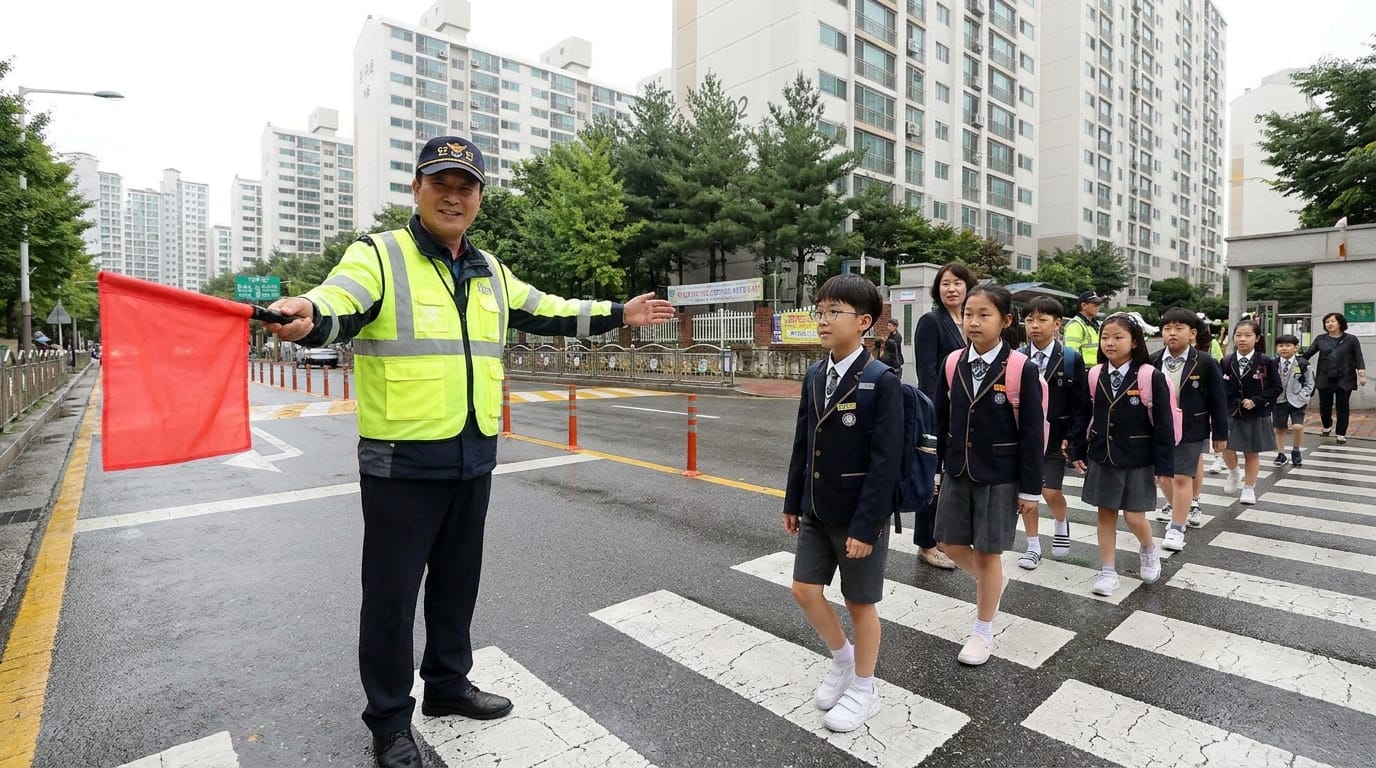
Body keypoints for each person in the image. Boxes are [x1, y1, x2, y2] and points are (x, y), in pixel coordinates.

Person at [264, 136, 674, 768]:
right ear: (417, 189)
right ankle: (389, 722)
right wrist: (309, 312)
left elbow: (549, 311)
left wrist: (620, 311)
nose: (453, 196)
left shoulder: (490, 270)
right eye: (440, 183)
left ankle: (447, 685)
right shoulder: (379, 255)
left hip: (472, 453)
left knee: (457, 583)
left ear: (479, 197)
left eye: (466, 186)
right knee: (393, 596)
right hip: (402, 459)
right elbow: (339, 300)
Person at [783, 274, 902, 733]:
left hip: (858, 516)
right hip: (816, 507)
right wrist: (793, 500)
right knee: (804, 590)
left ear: (864, 322)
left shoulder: (880, 380)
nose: (823, 320)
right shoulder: (815, 374)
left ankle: (865, 688)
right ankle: (843, 659)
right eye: (820, 311)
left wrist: (866, 526)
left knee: (859, 602)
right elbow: (803, 442)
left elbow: (886, 462)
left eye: (835, 312)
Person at [934, 285, 1043, 665]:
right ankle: (993, 583)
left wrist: (1030, 490)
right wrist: (936, 468)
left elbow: (1032, 433)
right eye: (968, 314)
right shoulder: (952, 363)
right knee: (948, 544)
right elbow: (941, 419)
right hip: (957, 469)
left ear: (1005, 320)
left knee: (987, 551)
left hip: (1000, 474)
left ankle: (982, 631)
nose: (974, 322)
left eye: (984, 315)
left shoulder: (1020, 368)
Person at [1069, 313, 1171, 598]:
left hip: (1138, 457)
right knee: (1105, 515)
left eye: (1118, 337)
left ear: (1134, 341)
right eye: (1105, 337)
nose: (1109, 343)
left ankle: (1148, 549)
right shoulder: (1094, 374)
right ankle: (1107, 571)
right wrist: (1077, 449)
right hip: (1102, 455)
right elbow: (1083, 414)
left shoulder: (1150, 376)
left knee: (1135, 517)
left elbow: (1163, 424)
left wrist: (1163, 465)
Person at [911, 262, 976, 570]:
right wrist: (934, 415)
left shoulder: (972, 321)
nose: (951, 288)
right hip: (939, 414)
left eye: (958, 283)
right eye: (945, 283)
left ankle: (947, 537)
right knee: (931, 479)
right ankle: (926, 543)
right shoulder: (931, 322)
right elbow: (926, 374)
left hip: (968, 415)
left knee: (954, 480)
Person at [1015, 296, 1084, 570]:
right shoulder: (1018, 357)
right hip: (1024, 437)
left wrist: (1073, 437)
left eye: (1042, 320)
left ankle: (1060, 522)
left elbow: (1081, 404)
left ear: (1057, 324)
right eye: (1029, 319)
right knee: (1027, 493)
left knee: (1051, 491)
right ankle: (1033, 546)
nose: (1034, 325)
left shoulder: (1070, 358)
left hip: (1056, 437)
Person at [1151, 309, 1228, 552]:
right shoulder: (1153, 360)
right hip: (1158, 427)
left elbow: (1218, 401)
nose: (1172, 333)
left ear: (1192, 333)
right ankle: (1179, 509)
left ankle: (1176, 528)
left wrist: (1220, 434)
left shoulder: (1205, 362)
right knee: (1162, 476)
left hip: (1191, 427)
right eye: (1167, 329)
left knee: (1182, 476)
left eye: (1179, 328)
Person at [1221, 320, 1283, 506]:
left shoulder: (1266, 361)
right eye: (1238, 335)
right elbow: (1219, 386)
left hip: (1255, 413)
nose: (1242, 339)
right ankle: (1234, 472)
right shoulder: (1226, 361)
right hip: (1230, 411)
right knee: (1224, 446)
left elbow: (1276, 387)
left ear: (1257, 338)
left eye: (1248, 335)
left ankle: (1249, 488)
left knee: (1251, 452)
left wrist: (1257, 400)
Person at [1304, 312, 1368, 444]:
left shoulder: (1351, 339)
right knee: (1324, 406)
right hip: (1325, 376)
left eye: (1332, 321)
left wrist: (1361, 374)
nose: (1329, 324)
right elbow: (1309, 353)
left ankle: (1341, 433)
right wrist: (1296, 363)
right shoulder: (1321, 339)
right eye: (1327, 322)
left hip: (1345, 377)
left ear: (1340, 323)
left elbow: (1358, 357)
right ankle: (1327, 425)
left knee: (1342, 406)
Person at [1273, 333, 1314, 466]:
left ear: (1296, 348)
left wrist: (1303, 396)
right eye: (1280, 345)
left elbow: (1310, 383)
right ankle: (1281, 454)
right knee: (1279, 428)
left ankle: (1296, 450)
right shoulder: (1273, 363)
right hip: (1279, 400)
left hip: (1297, 400)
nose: (1284, 348)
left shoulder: (1302, 364)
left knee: (1297, 426)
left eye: (1288, 345)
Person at [1062, 290, 1104, 367]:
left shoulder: (1094, 325)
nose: (1098, 308)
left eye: (1099, 305)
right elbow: (1071, 353)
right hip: (1083, 369)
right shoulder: (1075, 325)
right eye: (1095, 305)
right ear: (1084, 305)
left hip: (1095, 369)